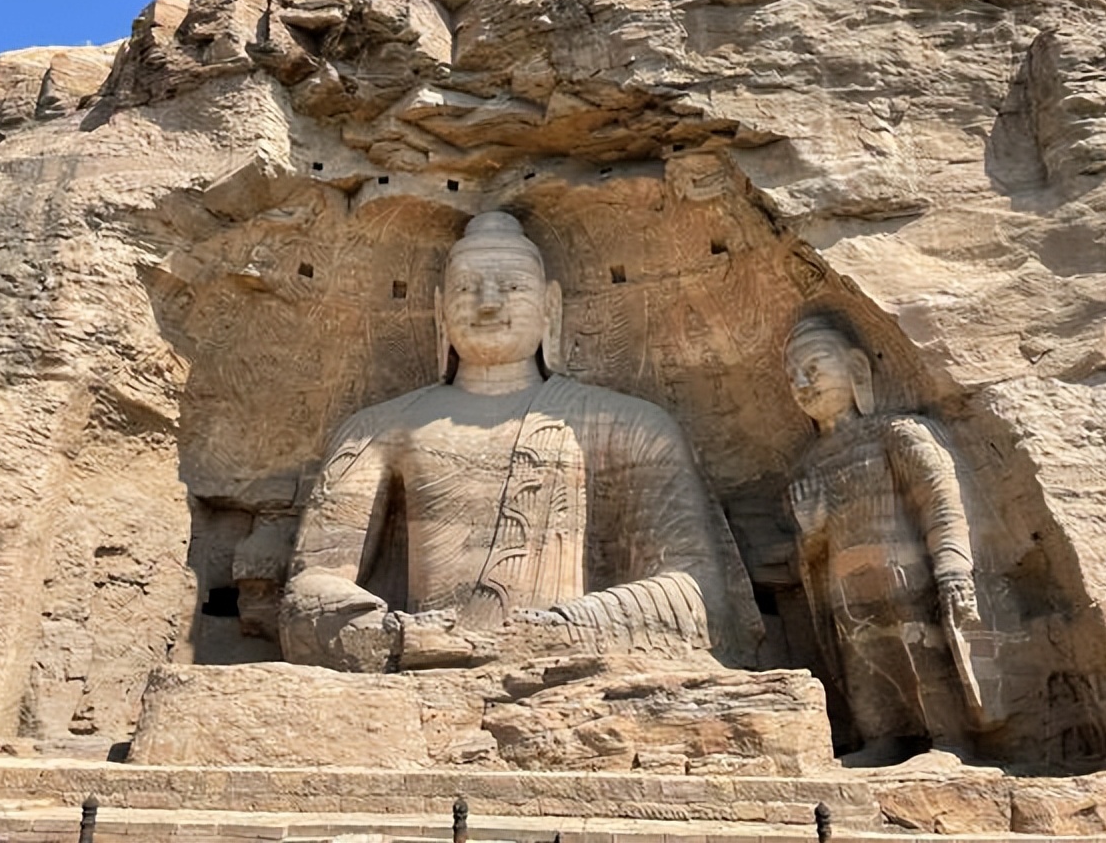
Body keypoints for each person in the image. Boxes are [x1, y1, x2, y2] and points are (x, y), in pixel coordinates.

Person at [280, 212, 762, 671]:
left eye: (512, 287)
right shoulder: (377, 430)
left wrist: (560, 629)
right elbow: (311, 589)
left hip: (577, 670)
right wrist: (399, 637)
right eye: (467, 288)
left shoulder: (632, 426)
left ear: (551, 305)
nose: (489, 303)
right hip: (421, 662)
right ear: (439, 310)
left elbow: (697, 597)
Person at [784, 314, 983, 764]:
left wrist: (952, 567)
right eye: (792, 378)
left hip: (905, 572)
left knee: (923, 650)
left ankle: (951, 740)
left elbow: (940, 501)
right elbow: (810, 554)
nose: (801, 384)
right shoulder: (807, 465)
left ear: (857, 368)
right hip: (847, 586)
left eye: (812, 369)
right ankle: (883, 739)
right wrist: (812, 530)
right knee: (864, 662)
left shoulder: (897, 433)